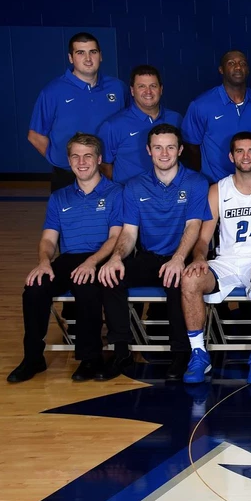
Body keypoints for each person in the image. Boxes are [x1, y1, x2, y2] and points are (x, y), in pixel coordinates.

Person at [97, 124, 212, 382]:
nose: (164, 153)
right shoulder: (134, 186)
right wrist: (115, 258)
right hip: (150, 257)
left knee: (178, 281)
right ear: (149, 150)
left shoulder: (196, 182)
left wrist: (178, 259)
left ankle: (181, 353)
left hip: (182, 255)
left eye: (170, 147)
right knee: (111, 277)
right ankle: (121, 352)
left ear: (180, 150)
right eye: (158, 148)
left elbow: (193, 225)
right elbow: (129, 233)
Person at [8, 133, 126, 383]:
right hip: (68, 258)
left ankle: (90, 358)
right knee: (34, 288)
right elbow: (49, 240)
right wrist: (43, 262)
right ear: (69, 160)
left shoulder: (116, 192)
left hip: (99, 257)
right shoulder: (59, 197)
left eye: (88, 156)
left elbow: (116, 237)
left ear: (99, 159)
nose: (81, 162)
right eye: (75, 156)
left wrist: (92, 262)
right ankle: (33, 358)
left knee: (86, 287)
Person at [180, 132, 251, 385]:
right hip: (226, 262)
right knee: (190, 279)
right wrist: (198, 258)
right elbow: (203, 239)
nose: (246, 156)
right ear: (231, 156)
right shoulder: (218, 190)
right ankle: (198, 354)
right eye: (240, 151)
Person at [29, 33, 127, 191]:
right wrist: (61, 161)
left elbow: (128, 124)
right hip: (68, 176)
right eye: (80, 53)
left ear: (101, 56)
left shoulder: (118, 88)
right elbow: (35, 136)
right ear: (71, 58)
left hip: (107, 173)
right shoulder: (53, 91)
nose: (88, 59)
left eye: (93, 52)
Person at [181, 50, 251, 182]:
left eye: (242, 63)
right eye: (231, 63)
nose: (238, 67)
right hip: (215, 182)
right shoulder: (201, 105)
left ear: (248, 70)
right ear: (221, 70)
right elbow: (191, 146)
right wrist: (202, 179)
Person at [98, 65, 183, 183]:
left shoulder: (176, 119)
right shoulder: (112, 126)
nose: (148, 91)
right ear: (132, 91)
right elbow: (104, 165)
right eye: (141, 86)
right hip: (129, 192)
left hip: (170, 190)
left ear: (161, 89)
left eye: (153, 86)